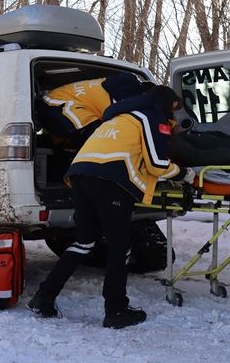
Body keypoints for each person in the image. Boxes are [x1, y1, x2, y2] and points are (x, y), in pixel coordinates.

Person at [27, 85, 193, 329]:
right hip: (111, 181)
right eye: (175, 107)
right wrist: (185, 173)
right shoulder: (151, 117)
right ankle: (116, 310)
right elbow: (157, 164)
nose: (175, 115)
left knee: (84, 242)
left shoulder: (119, 118)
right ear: (165, 104)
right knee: (120, 246)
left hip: (80, 175)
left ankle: (44, 298)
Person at [37, 73, 152, 148]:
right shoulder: (129, 98)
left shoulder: (117, 85)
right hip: (57, 105)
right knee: (98, 138)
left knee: (94, 134)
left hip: (53, 103)